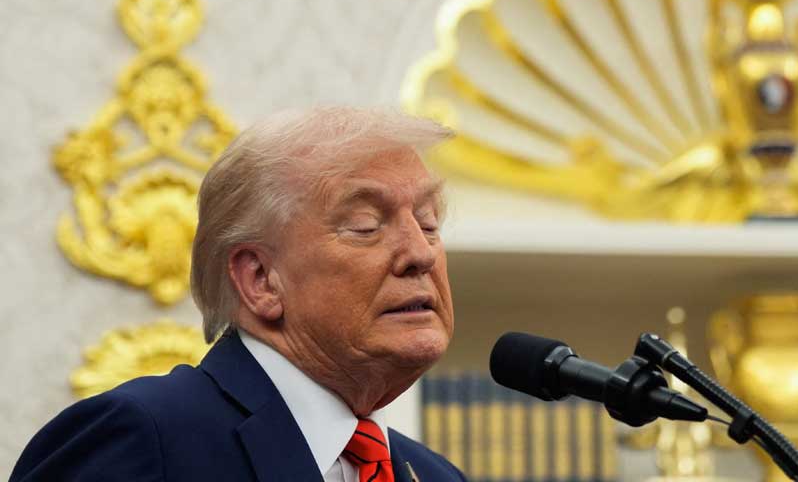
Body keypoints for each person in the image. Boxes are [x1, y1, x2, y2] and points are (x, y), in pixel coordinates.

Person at [12, 107, 466, 481]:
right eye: (367, 225)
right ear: (261, 280)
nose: (420, 252)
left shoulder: (437, 476)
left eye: (428, 223)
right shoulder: (142, 440)